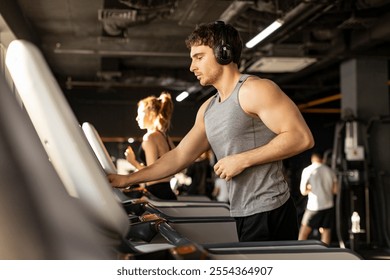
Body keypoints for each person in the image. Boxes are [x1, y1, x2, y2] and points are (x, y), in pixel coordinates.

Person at [108, 21, 314, 241]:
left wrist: (242, 160)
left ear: (223, 53)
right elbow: (178, 157)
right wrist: (125, 179)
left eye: (199, 57)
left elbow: (301, 137)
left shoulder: (254, 89)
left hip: (270, 210)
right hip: (241, 211)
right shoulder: (208, 109)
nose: (192, 67)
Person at [123, 92, 177, 200]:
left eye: (140, 114)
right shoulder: (166, 137)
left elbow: (152, 174)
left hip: (157, 195)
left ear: (151, 113)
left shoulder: (149, 138)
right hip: (168, 194)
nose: (137, 118)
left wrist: (133, 162)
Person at [298, 151, 338, 245]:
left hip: (314, 206)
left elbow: (303, 191)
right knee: (326, 231)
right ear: (323, 159)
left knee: (303, 232)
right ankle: (325, 256)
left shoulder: (307, 170)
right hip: (328, 205)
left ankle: (298, 254)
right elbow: (335, 190)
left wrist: (309, 189)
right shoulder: (330, 171)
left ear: (312, 159)